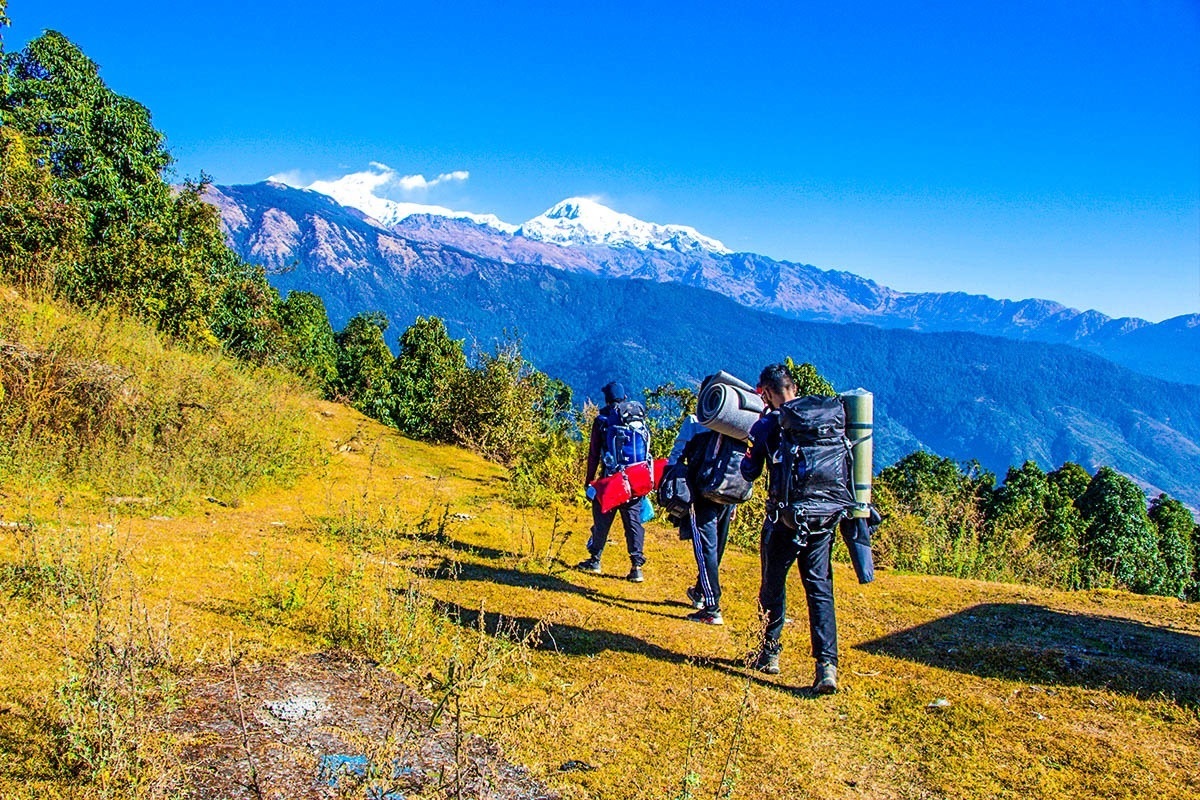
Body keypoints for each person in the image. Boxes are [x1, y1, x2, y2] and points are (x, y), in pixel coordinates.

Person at [740, 363, 840, 693]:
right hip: (823, 519)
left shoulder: (768, 424)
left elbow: (750, 471)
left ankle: (770, 652)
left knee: (773, 585)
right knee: (819, 589)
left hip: (783, 519)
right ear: (794, 388)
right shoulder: (822, 417)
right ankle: (826, 666)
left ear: (766, 393)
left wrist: (752, 447)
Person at [665, 377, 733, 625]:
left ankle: (712, 607)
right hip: (728, 494)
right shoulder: (733, 425)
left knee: (705, 548)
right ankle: (700, 591)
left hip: (702, 493)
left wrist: (670, 487)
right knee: (715, 547)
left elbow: (676, 457)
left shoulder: (695, 422)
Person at [577, 381, 648, 582]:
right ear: (624, 398)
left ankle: (595, 559)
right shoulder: (635, 419)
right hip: (634, 480)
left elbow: (593, 454)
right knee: (633, 522)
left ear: (607, 399)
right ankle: (636, 567)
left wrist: (589, 480)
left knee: (601, 518)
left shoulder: (602, 421)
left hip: (611, 479)